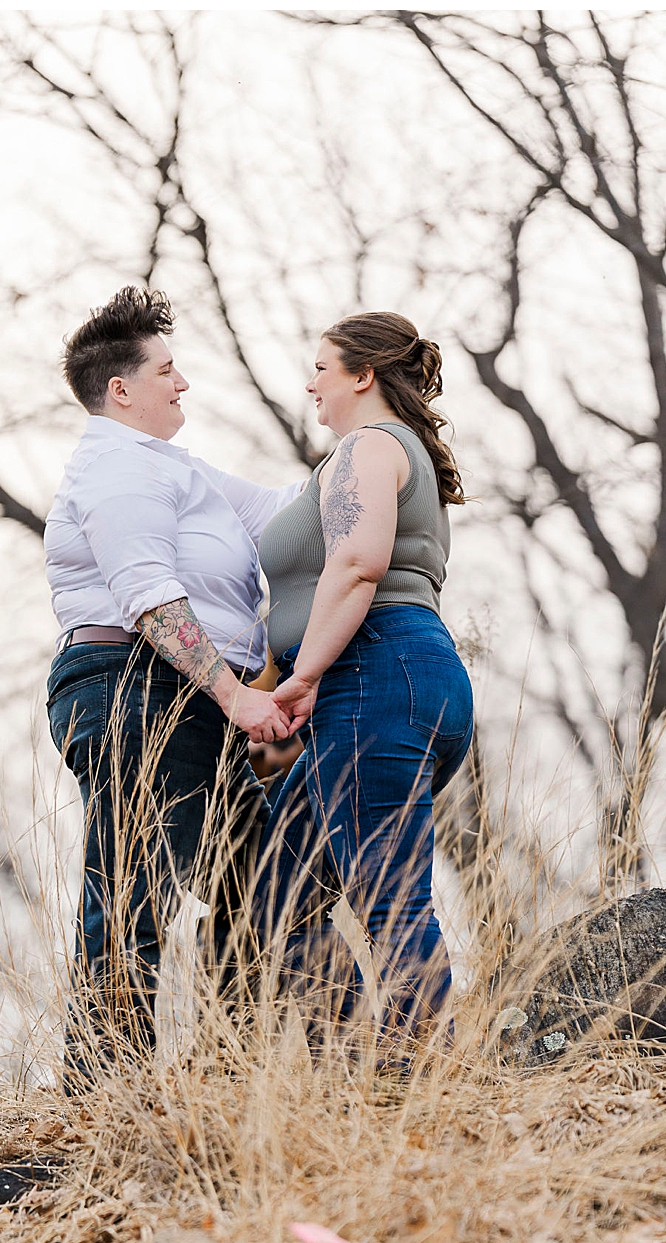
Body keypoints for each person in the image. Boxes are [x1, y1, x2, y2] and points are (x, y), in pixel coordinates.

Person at [44, 286, 303, 1091]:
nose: (183, 382)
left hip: (183, 693)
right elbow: (148, 594)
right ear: (121, 390)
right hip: (132, 685)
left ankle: (232, 1081)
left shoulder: (176, 469)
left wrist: (383, 442)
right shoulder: (118, 466)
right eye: (167, 369)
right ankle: (102, 1100)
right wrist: (238, 696)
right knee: (135, 891)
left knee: (259, 885)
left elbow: (293, 513)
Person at [255, 311, 474, 1043]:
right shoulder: (388, 450)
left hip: (374, 675)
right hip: (403, 675)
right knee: (278, 884)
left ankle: (431, 1079)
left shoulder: (369, 446)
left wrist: (306, 672)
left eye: (322, 366)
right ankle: (355, 1066)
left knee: (389, 901)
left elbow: (358, 563)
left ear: (362, 374)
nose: (310, 381)